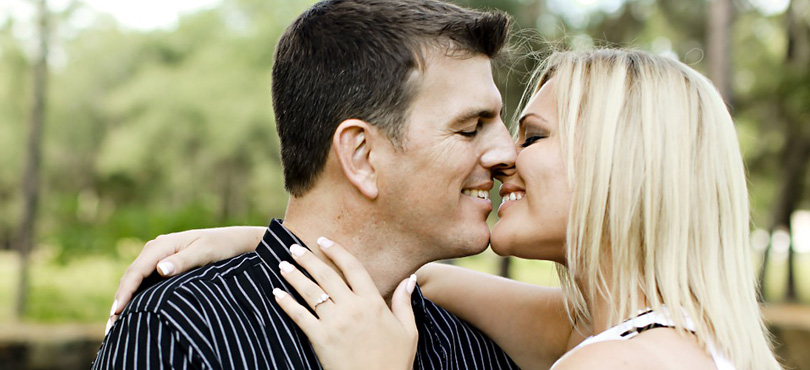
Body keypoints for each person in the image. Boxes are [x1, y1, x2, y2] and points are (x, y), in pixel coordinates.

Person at [115, 49, 784, 370]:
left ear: (623, 165)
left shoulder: (631, 365)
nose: (503, 158)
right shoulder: (617, 332)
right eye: (482, 130)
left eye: (533, 135)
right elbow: (423, 277)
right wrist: (258, 239)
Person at [93, 0, 525, 368]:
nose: (507, 153)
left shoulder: (477, 349)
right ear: (361, 156)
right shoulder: (184, 330)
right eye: (471, 128)